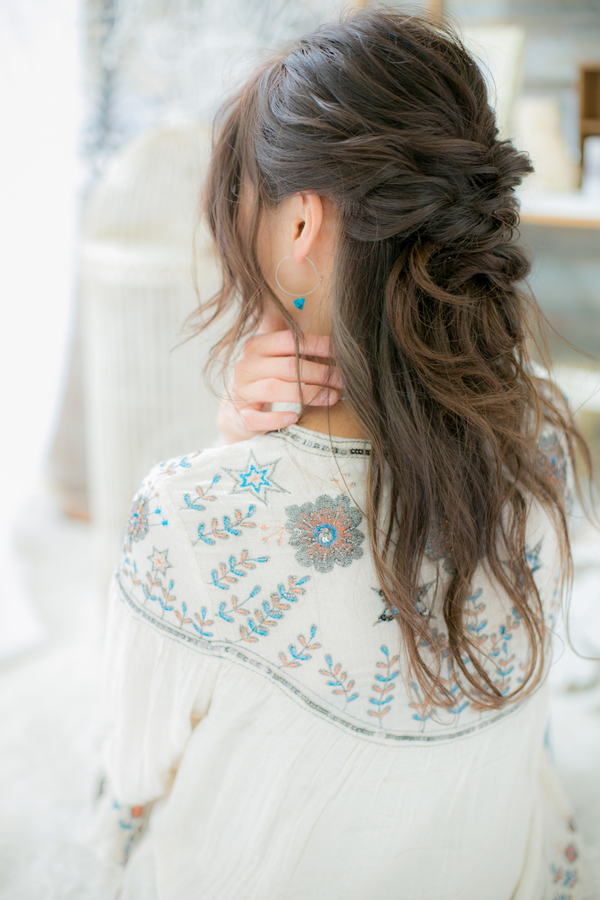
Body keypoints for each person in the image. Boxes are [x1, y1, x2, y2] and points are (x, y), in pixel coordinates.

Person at [89, 9, 597, 899]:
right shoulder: (546, 455)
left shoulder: (188, 518)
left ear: (301, 225)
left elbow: (126, 789)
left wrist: (230, 467)